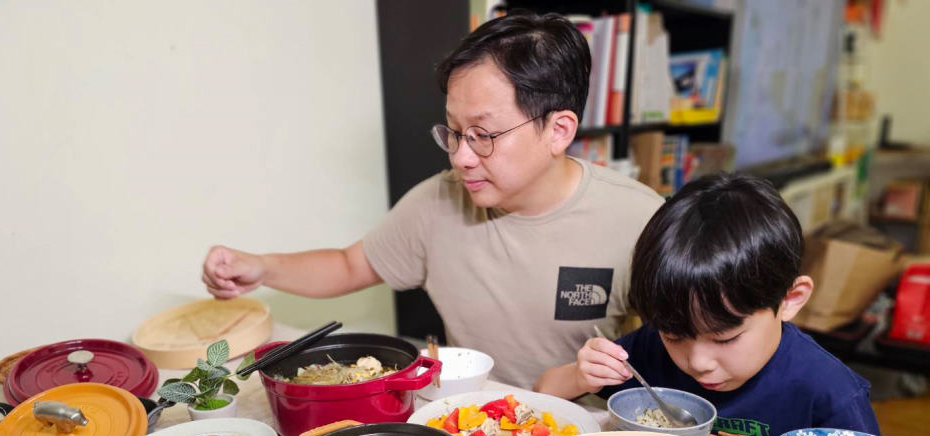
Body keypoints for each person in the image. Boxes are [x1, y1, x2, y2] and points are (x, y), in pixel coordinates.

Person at [201, 12, 662, 389]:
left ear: (558, 130)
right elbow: (347, 265)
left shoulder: (641, 220)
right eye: (455, 132)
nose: (461, 157)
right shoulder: (438, 202)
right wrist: (262, 267)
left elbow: (678, 353)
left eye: (483, 135)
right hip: (468, 422)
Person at [535, 172, 880, 436]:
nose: (697, 362)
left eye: (725, 339)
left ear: (790, 300)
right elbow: (543, 391)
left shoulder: (829, 391)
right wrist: (582, 376)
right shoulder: (651, 346)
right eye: (674, 336)